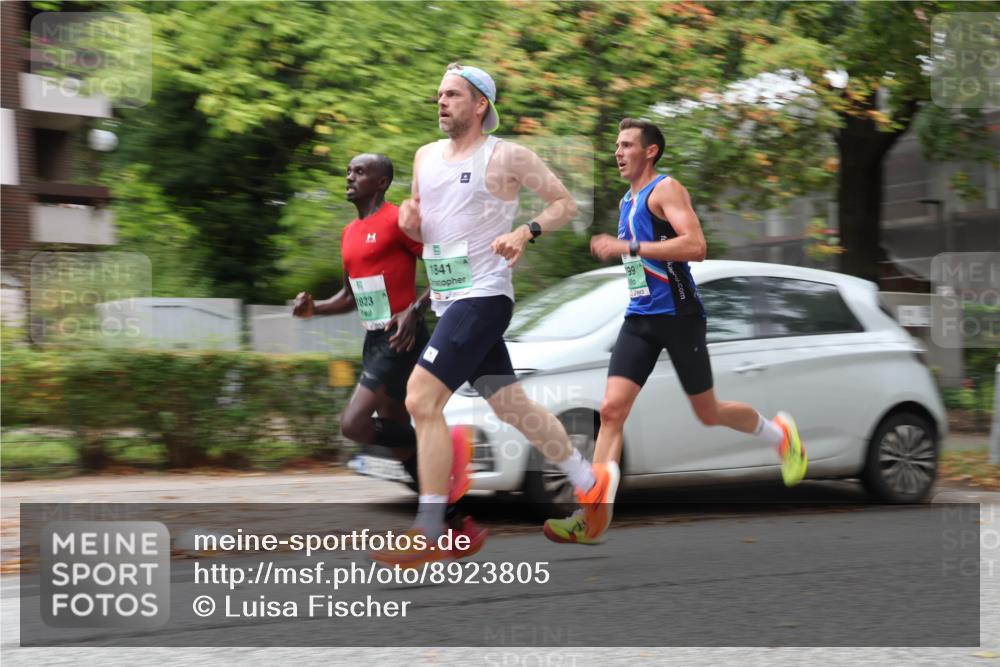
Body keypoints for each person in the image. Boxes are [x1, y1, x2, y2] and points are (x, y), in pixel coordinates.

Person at [372, 63, 615, 567]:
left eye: (453, 95)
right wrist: (408, 218)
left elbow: (565, 204)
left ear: (480, 104)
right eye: (438, 94)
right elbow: (418, 216)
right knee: (511, 406)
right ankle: (590, 487)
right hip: (448, 301)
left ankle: (431, 529)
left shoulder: (506, 155)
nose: (441, 102)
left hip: (484, 297)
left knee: (421, 398)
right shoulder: (424, 157)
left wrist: (526, 231)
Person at [543, 118, 808, 545]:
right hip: (640, 317)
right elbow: (641, 266)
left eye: (626, 144)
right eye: (616, 145)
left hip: (679, 316)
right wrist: (626, 252)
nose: (617, 151)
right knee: (611, 411)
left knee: (708, 412)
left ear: (650, 152)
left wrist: (627, 247)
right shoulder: (626, 201)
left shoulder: (666, 189)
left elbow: (696, 246)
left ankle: (781, 434)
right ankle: (591, 516)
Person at [292, 153, 485, 557]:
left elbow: (450, 268)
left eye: (359, 171)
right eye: (348, 170)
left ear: (381, 182)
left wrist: (414, 311)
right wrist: (315, 309)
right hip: (374, 341)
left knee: (353, 424)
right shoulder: (349, 232)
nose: (349, 176)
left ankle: (448, 448)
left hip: (402, 339)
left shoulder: (399, 220)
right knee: (404, 451)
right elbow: (349, 296)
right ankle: (458, 525)